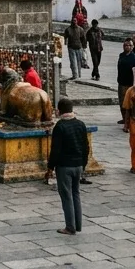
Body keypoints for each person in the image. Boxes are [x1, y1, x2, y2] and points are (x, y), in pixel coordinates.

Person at [46, 97, 89, 236]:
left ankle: (70, 227)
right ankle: (78, 224)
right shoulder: (80, 124)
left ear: (59, 111)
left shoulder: (60, 127)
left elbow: (55, 150)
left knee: (66, 196)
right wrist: (83, 164)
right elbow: (85, 147)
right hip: (78, 165)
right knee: (76, 194)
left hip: (65, 166)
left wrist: (50, 167)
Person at [116, 39, 135, 128]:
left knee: (129, 104)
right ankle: (124, 118)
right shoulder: (121, 55)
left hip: (129, 84)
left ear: (132, 46)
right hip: (121, 82)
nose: (127, 47)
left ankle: (129, 120)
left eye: (129, 45)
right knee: (121, 102)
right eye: (125, 45)